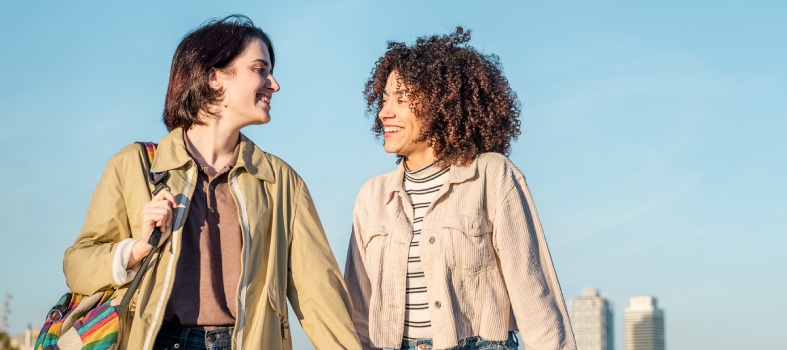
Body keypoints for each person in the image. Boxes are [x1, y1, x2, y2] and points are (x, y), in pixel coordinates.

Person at [63, 15, 360, 350]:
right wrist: (137, 248)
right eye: (260, 69)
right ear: (214, 77)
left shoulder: (280, 182)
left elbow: (320, 295)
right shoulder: (134, 166)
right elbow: (78, 265)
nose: (274, 84)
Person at [344, 28, 577, 350]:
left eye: (401, 99)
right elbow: (357, 313)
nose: (385, 112)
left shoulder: (492, 175)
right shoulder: (372, 197)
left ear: (442, 103)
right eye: (384, 100)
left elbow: (534, 295)